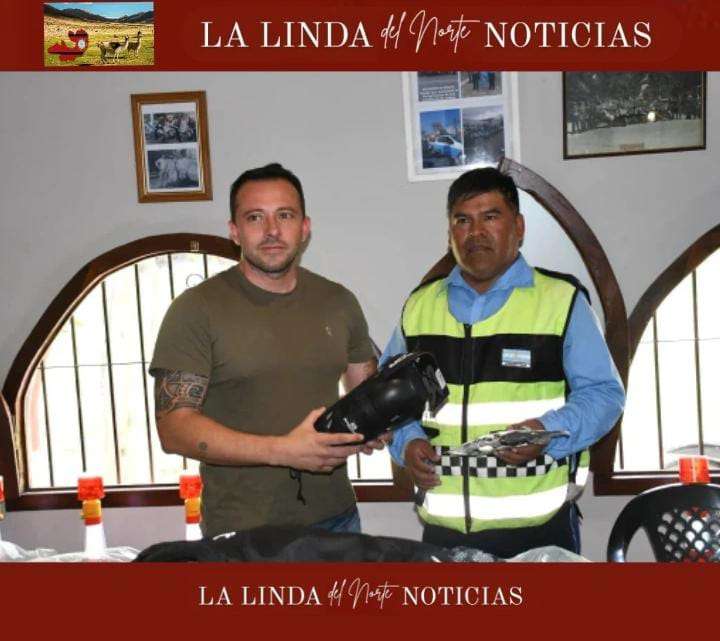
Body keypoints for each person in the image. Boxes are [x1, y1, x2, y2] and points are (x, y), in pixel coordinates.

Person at [384, 167, 625, 558]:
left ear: (519, 227)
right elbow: (389, 398)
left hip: (540, 533)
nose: (475, 232)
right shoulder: (419, 307)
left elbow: (605, 396)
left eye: (490, 217)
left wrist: (546, 432)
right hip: (444, 535)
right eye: (463, 220)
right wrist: (407, 442)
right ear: (450, 233)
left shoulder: (561, 301)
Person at [150, 163, 383, 537]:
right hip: (243, 532)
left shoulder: (339, 302)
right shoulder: (196, 309)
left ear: (304, 227)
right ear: (234, 231)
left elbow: (365, 395)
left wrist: (377, 425)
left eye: (285, 215)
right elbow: (173, 429)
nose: (272, 230)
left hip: (338, 520)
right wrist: (283, 450)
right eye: (255, 217)